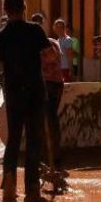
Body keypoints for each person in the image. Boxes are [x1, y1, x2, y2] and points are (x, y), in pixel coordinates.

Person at [0, 0, 49, 202]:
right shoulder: (35, 30)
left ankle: (9, 190)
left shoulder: (1, 35)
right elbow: (50, 56)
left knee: (14, 140)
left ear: (5, 11)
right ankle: (32, 190)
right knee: (34, 141)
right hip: (35, 91)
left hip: (14, 93)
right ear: (24, 8)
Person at [33, 12, 65, 169]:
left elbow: (53, 58)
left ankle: (53, 157)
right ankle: (49, 155)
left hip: (51, 84)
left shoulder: (49, 43)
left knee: (50, 119)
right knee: (46, 119)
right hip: (46, 84)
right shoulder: (38, 44)